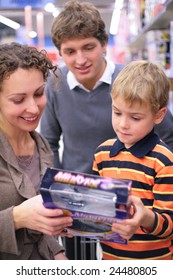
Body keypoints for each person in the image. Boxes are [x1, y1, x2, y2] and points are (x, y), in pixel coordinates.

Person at [40, 0, 173, 259]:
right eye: (70, 51)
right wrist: (56, 195)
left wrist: (157, 184)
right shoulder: (55, 87)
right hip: (78, 202)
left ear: (103, 44)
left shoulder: (130, 83)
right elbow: (49, 143)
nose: (80, 59)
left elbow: (168, 135)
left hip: (136, 207)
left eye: (88, 47)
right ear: (60, 52)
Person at [92, 60, 173, 260]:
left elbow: (170, 224)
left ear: (159, 115)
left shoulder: (164, 161)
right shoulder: (102, 154)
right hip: (111, 259)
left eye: (135, 118)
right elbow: (97, 207)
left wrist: (144, 217)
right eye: (117, 112)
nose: (123, 124)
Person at [0, 42, 73, 260]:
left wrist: (58, 254)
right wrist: (16, 218)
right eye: (18, 100)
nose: (33, 108)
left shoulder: (41, 146)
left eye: (39, 93)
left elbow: (40, 227)